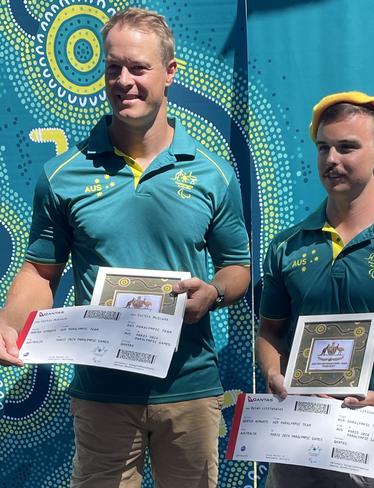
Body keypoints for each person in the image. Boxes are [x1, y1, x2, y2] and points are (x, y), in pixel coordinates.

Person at [0, 8, 250, 488]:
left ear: (170, 73)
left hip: (190, 389)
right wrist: (10, 326)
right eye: (113, 68)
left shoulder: (212, 173)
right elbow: (39, 271)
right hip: (102, 395)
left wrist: (213, 294)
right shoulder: (63, 175)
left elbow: (236, 268)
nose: (123, 81)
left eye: (138, 67)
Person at [256, 91, 374, 487]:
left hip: (372, 445)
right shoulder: (285, 246)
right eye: (323, 147)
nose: (331, 160)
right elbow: (269, 333)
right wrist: (275, 375)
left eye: (347, 147)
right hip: (295, 441)